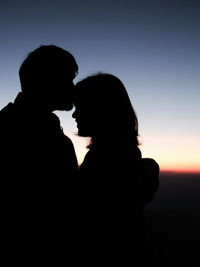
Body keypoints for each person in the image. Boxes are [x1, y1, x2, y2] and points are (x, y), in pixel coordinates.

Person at [0, 45, 79, 265]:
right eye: (68, 79)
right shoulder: (45, 140)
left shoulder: (9, 127)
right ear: (47, 82)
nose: (73, 87)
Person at [72, 73, 159, 265]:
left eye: (81, 107)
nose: (74, 114)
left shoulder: (108, 159)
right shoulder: (115, 153)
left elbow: (98, 226)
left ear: (102, 109)